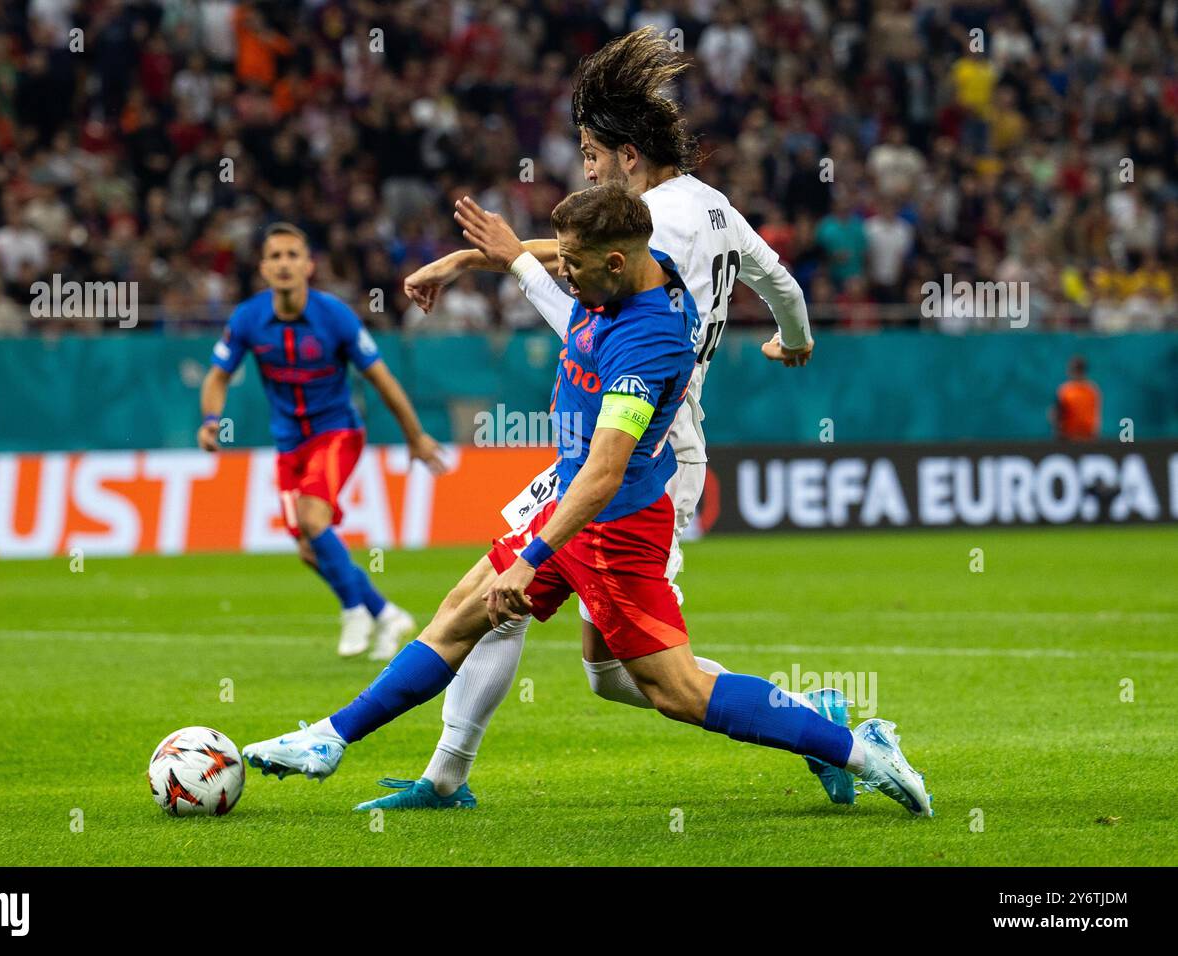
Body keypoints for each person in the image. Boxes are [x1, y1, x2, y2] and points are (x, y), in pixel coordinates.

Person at [241, 184, 933, 819]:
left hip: (613, 526)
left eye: (573, 263)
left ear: (612, 261)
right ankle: (332, 740)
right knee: (466, 613)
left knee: (677, 691)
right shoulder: (636, 264)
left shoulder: (647, 342)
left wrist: (530, 558)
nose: (561, 274)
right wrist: (490, 256)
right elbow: (558, 261)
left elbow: (603, 474)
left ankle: (858, 749)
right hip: (572, 504)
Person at [372, 27, 833, 811]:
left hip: (646, 440)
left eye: (590, 150)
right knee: (563, 638)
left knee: (618, 662)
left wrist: (510, 260)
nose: (583, 164)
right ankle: (446, 776)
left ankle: (816, 723)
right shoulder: (712, 208)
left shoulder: (661, 221)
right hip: (632, 431)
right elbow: (781, 283)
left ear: (627, 154)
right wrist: (795, 341)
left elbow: (589, 328)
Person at [198, 222, 446, 660]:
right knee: (310, 550)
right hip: (288, 443)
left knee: (314, 519)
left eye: (293, 255)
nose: (284, 264)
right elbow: (217, 375)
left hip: (336, 433)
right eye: (275, 256)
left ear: (309, 265)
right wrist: (211, 420)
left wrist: (415, 436)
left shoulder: (335, 317)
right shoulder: (248, 319)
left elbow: (382, 379)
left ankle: (353, 609)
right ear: (263, 268)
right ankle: (386, 614)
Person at [1050, 355, 1101, 441]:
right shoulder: (1065, 390)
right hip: (1070, 437)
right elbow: (1057, 414)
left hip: (1086, 437)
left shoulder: (1090, 390)